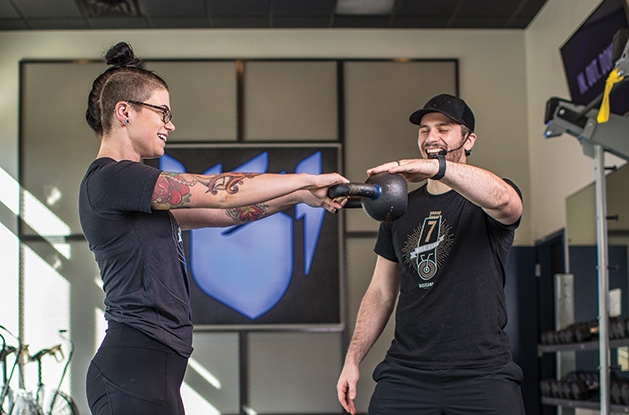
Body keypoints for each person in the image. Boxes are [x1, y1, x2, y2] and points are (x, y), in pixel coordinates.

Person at [79, 41, 349, 415]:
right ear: (124, 111)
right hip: (134, 366)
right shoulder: (112, 179)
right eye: (162, 112)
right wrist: (304, 178)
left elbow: (222, 213)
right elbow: (219, 192)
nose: (169, 125)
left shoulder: (136, 188)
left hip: (152, 368)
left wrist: (299, 197)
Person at [336, 93, 525, 415]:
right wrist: (352, 360)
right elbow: (381, 292)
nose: (431, 137)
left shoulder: (489, 197)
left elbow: (506, 202)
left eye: (444, 128)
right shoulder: (400, 209)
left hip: (484, 373)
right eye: (425, 130)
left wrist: (434, 167)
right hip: (407, 374)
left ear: (469, 139)